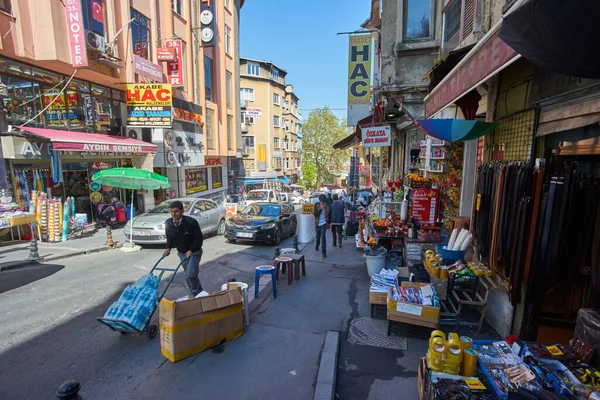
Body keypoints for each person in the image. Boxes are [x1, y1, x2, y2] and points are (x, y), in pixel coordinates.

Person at [162, 200, 205, 297]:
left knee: (190, 275)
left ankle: (194, 294)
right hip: (182, 253)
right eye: (172, 211)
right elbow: (170, 237)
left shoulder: (191, 222)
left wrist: (191, 250)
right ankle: (200, 293)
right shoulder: (168, 223)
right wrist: (168, 248)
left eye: (176, 211)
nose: (174, 214)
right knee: (189, 276)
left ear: (182, 211)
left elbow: (199, 239)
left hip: (194, 252)